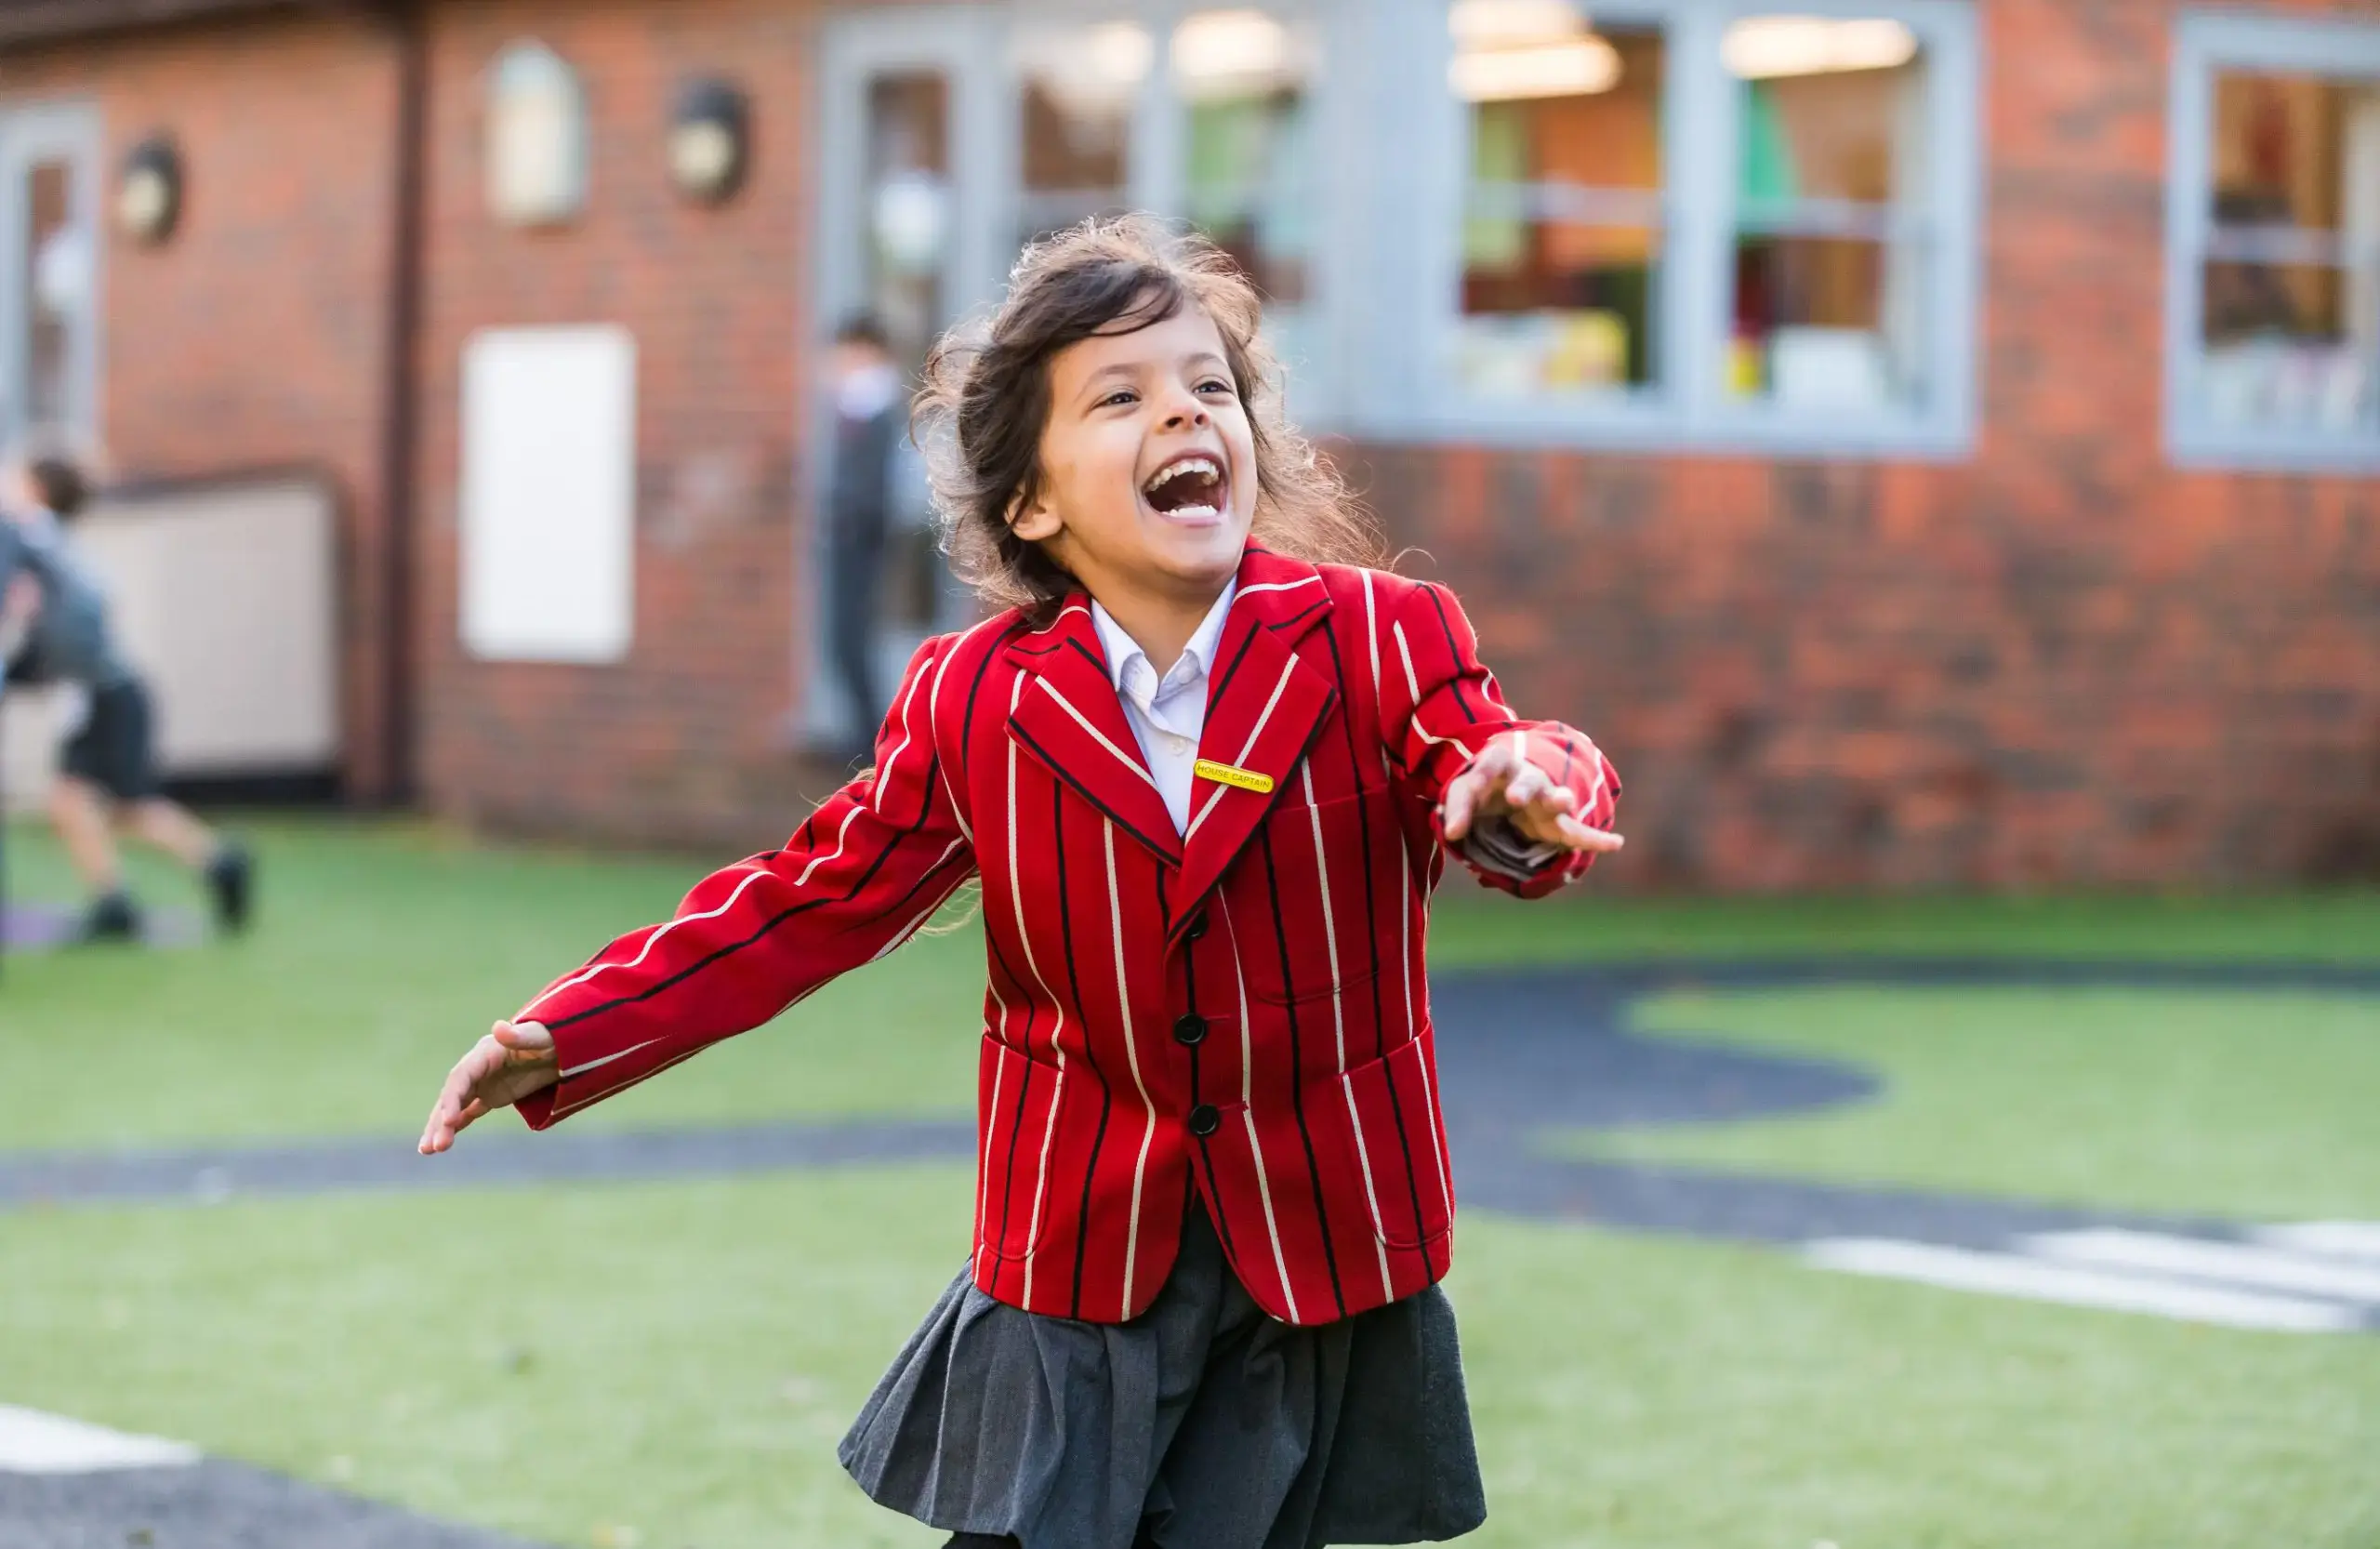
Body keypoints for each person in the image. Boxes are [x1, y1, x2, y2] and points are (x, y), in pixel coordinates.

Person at [420, 215, 1622, 1549]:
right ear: (1034, 502)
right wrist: (573, 1030)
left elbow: (1507, 760)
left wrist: (1527, 794)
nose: (1185, 413)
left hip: (1312, 1258)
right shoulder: (971, 699)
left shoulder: (1383, 638)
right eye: (1124, 396)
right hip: (1075, 1260)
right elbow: (808, 901)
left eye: (1208, 387)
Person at [0, 455, 253, 942]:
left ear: (37, 492)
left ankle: (206, 865)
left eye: (15, 479)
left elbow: (66, 630)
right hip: (104, 692)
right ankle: (123, 897)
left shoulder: (32, 536)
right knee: (86, 803)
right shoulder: (51, 546)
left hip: (106, 694)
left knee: (113, 806)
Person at [823, 311, 906, 765]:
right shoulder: (859, 404)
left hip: (860, 539)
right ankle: (864, 736)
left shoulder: (873, 406)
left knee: (850, 639)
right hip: (852, 538)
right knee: (843, 640)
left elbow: (870, 486)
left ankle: (869, 741)